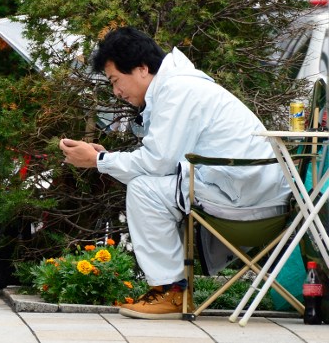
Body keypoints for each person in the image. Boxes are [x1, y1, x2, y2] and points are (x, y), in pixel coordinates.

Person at [59, 26, 291, 320]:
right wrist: (103, 157)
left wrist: (98, 160)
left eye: (116, 80)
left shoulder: (178, 89)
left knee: (145, 189)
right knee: (150, 185)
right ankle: (171, 290)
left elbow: (158, 162)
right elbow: (165, 159)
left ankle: (170, 292)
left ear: (142, 68)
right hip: (250, 191)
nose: (116, 92)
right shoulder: (178, 86)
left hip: (246, 200)